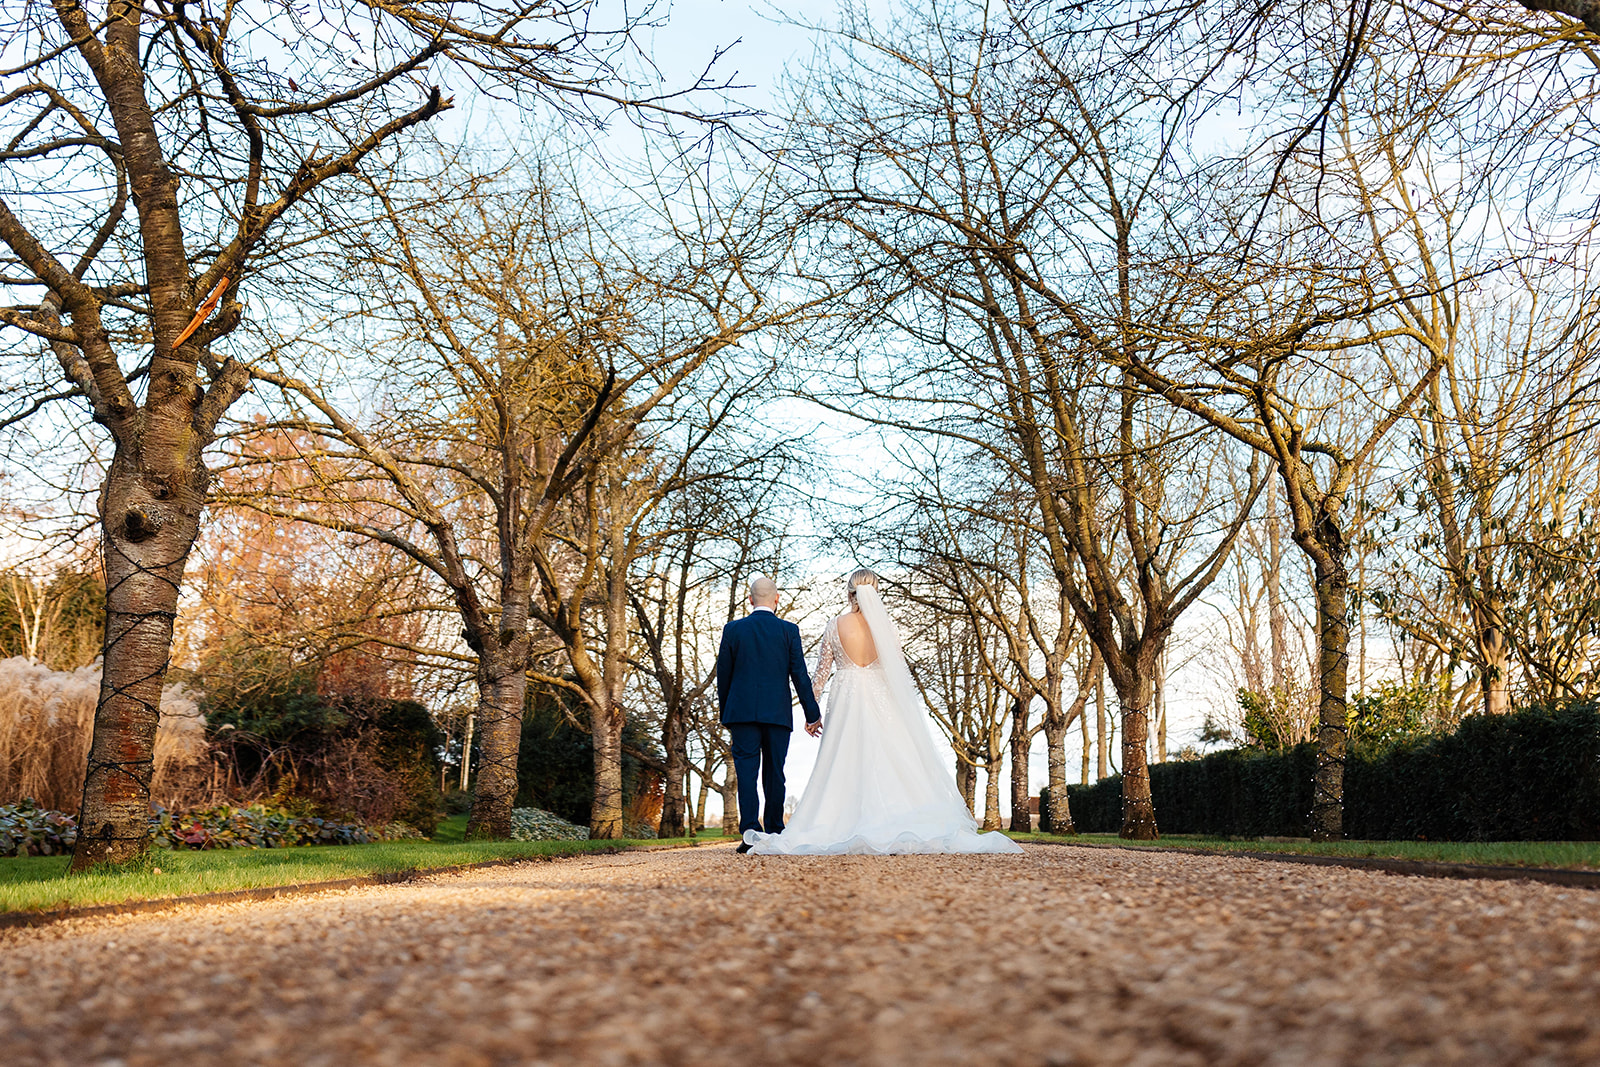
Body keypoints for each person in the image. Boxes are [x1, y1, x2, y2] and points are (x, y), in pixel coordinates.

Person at [744, 569, 1023, 855]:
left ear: (849, 592)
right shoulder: (887, 629)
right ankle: (891, 817)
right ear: (875, 592)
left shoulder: (835, 625)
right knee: (886, 758)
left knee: (842, 760)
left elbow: (820, 675)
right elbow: (896, 675)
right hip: (881, 702)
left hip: (845, 702)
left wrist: (811, 713)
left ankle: (838, 821)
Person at [716, 574, 822, 854]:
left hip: (741, 713)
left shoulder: (733, 630)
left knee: (746, 773)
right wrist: (812, 714)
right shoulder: (789, 630)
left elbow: (723, 675)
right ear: (777, 600)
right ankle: (775, 829)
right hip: (776, 713)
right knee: (775, 772)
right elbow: (800, 674)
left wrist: (725, 712)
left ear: (750, 600)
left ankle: (750, 831)